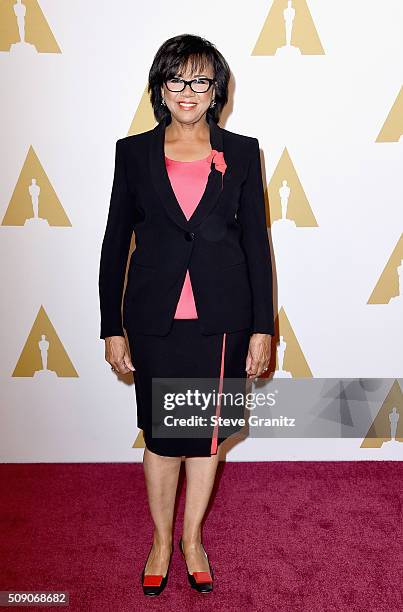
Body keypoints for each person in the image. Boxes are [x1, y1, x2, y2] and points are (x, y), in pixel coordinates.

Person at [98, 33, 275, 596]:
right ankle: (159, 539)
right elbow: (113, 243)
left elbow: (255, 245)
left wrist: (262, 327)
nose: (189, 91)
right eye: (177, 79)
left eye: (201, 80)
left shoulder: (243, 152)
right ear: (160, 87)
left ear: (216, 88)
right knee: (160, 438)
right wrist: (111, 325)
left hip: (223, 320)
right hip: (155, 321)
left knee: (205, 437)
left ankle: (192, 539)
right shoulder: (133, 153)